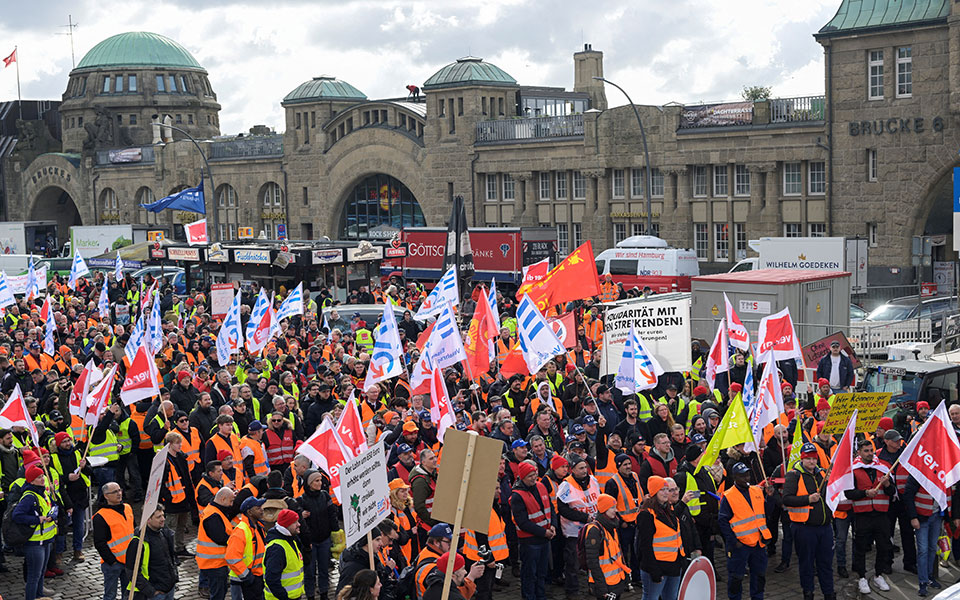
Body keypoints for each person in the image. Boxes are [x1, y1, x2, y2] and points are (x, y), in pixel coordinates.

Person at [781, 443, 834, 600]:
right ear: (802, 459)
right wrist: (807, 499)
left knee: (826, 564)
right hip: (804, 528)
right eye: (808, 459)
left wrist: (831, 482)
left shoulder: (822, 474)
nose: (812, 462)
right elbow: (786, 499)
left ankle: (829, 593)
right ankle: (808, 593)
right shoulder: (794, 475)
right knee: (807, 564)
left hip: (825, 528)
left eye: (814, 458)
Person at [845, 440, 894, 595]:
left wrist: (886, 485)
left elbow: (892, 493)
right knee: (860, 548)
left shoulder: (883, 468)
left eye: (871, 450)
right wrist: (865, 493)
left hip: (881, 515)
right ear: (859, 452)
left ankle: (879, 575)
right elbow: (848, 493)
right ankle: (861, 577)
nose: (870, 453)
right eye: (866, 451)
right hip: (862, 515)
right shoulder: (853, 470)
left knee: (884, 546)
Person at [718, 462, 771, 600]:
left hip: (759, 543)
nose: (746, 478)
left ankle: (758, 597)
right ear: (735, 477)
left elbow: (767, 512)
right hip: (740, 545)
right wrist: (733, 541)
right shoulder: (729, 496)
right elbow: (722, 521)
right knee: (736, 577)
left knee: (759, 575)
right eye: (742, 476)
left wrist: (770, 497)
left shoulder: (757, 491)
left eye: (747, 475)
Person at [556, 454, 600, 599]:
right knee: (573, 563)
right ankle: (572, 591)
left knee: (594, 560)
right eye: (581, 468)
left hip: (593, 528)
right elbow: (563, 509)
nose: (584, 470)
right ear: (572, 470)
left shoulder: (592, 480)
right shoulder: (565, 485)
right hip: (574, 531)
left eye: (585, 467)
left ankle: (593, 585)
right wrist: (583, 517)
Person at [13, 464, 58, 600]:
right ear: (31, 481)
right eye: (39, 477)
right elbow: (17, 515)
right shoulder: (29, 497)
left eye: (42, 476)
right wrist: (37, 519)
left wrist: (53, 515)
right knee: (34, 575)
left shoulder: (42, 492)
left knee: (41, 572)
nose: (43, 479)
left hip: (45, 540)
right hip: (34, 542)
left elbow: (54, 506)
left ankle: (40, 596)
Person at [636, 476, 684, 600]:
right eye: (661, 490)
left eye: (667, 489)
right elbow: (644, 546)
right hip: (656, 566)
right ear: (654, 492)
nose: (666, 493)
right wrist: (654, 570)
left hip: (673, 565)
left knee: (671, 597)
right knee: (651, 597)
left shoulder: (669, 509)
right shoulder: (646, 515)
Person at [300, 469, 341, 600]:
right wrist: (301, 516)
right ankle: (310, 595)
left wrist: (336, 531)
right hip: (309, 543)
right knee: (309, 572)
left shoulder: (325, 496)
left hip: (324, 539)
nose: (320, 483)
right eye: (317, 481)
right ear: (309, 483)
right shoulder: (301, 500)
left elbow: (332, 514)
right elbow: (296, 520)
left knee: (324, 570)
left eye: (320, 480)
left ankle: (324, 594)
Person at [124, 505, 179, 600]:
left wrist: (174, 579)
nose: (163, 519)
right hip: (154, 593)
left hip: (169, 589)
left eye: (163, 515)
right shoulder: (138, 542)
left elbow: (171, 560)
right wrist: (151, 591)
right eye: (158, 517)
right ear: (148, 519)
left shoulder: (165, 533)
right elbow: (132, 572)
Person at [94, 481, 135, 600]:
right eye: (115, 492)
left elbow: (134, 530)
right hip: (113, 564)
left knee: (127, 595)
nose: (119, 494)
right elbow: (100, 543)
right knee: (110, 595)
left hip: (128, 561)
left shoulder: (127, 508)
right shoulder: (100, 516)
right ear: (106, 496)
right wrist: (112, 562)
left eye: (120, 490)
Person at [583, 493, 629, 599]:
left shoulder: (612, 526)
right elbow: (592, 562)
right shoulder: (595, 530)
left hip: (616, 580)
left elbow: (618, 554)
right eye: (612, 507)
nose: (615, 510)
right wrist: (601, 588)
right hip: (604, 584)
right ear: (604, 509)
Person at [198, 487, 237, 600]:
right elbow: (221, 538)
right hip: (214, 563)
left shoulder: (214, 510)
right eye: (230, 501)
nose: (231, 504)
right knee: (218, 593)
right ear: (223, 499)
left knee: (220, 591)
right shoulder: (213, 516)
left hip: (214, 561)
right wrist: (236, 538)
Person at [226, 495, 267, 600]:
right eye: (258, 508)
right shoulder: (241, 531)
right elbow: (232, 558)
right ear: (249, 512)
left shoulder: (258, 527)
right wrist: (248, 577)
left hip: (257, 577)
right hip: (247, 580)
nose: (262, 510)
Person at [264, 509, 306, 600]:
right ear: (286, 525)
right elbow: (271, 579)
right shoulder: (277, 548)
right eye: (295, 522)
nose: (299, 524)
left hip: (292, 596)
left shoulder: (291, 540)